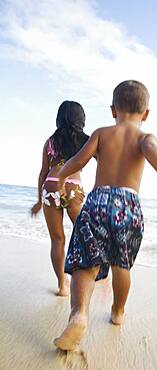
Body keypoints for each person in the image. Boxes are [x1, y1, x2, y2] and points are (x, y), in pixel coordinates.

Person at [54, 80, 157, 350]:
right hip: (128, 207)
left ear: (113, 110)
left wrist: (60, 178)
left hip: (96, 202)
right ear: (146, 114)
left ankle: (79, 313)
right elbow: (152, 151)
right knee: (122, 264)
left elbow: (78, 161)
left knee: (84, 263)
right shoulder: (144, 138)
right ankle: (118, 312)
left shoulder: (101, 134)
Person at [31, 101, 90, 297]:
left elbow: (43, 173)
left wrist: (40, 201)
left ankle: (62, 286)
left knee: (57, 240)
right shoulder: (85, 141)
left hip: (50, 187)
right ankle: (92, 278)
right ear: (81, 119)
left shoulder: (50, 142)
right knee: (85, 236)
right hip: (72, 187)